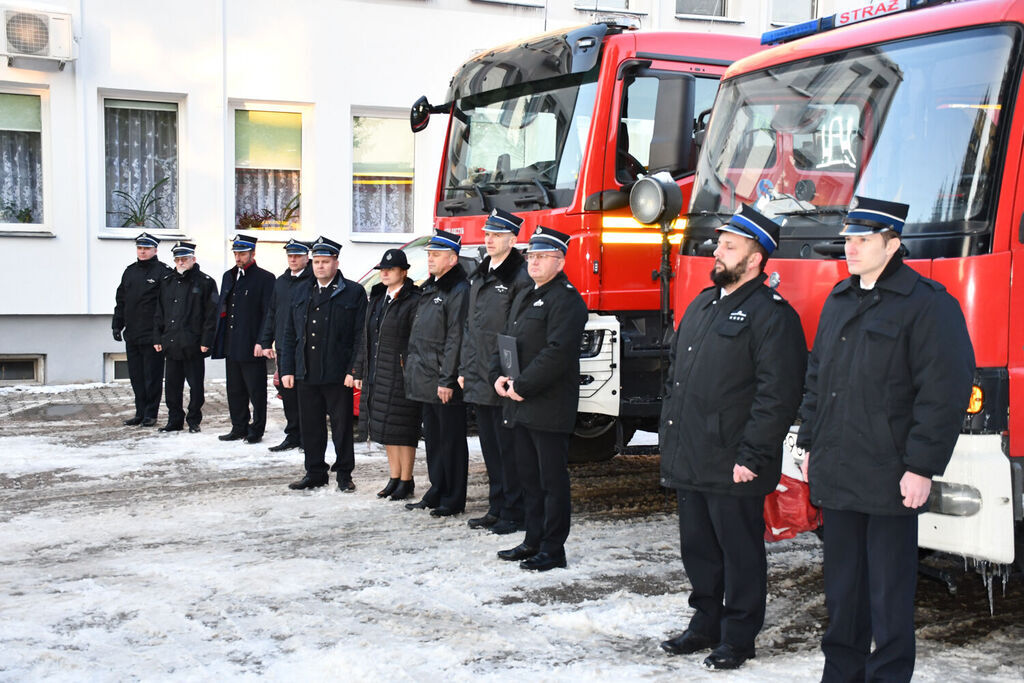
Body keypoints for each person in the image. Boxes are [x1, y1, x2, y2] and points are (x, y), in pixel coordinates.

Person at [797, 196, 974, 682]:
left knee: (889, 593)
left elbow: (944, 393)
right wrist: (809, 443)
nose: (850, 249)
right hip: (837, 469)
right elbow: (818, 379)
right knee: (842, 589)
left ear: (893, 244)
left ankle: (890, 675)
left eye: (862, 240)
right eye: (848, 240)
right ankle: (841, 673)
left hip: (890, 475)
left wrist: (921, 467)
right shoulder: (838, 300)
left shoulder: (928, 305)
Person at [658, 205, 807, 671]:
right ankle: (705, 622)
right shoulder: (704, 303)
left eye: (728, 246)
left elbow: (776, 396)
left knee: (739, 553)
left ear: (756, 258)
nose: (716, 252)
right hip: (691, 453)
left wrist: (754, 454)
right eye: (718, 244)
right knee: (698, 547)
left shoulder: (773, 316)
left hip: (735, 459)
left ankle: (739, 636)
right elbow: (676, 377)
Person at [492, 226, 588, 572]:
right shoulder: (525, 294)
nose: (533, 262)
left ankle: (552, 548)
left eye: (542, 257)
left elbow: (557, 353)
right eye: (531, 256)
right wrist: (498, 376)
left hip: (548, 405)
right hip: (519, 402)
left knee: (551, 481)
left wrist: (523, 385)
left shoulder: (567, 300)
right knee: (529, 478)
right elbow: (507, 341)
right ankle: (532, 539)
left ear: (560, 261)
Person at [459, 209, 533, 535]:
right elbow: (469, 327)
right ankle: (497, 506)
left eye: (496, 235)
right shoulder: (480, 274)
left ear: (512, 239)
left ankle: (514, 512)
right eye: (487, 234)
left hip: (503, 377)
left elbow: (518, 332)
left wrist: (510, 374)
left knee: (509, 449)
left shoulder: (519, 278)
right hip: (478, 373)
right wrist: (464, 368)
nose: (488, 239)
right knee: (489, 447)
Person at [279, 236, 367, 491]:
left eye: (325, 262)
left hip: (338, 373)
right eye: (316, 261)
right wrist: (287, 369)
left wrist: (354, 369)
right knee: (310, 427)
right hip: (306, 371)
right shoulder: (300, 290)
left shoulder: (352, 292)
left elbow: (360, 335)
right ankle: (314, 471)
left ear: (336, 263)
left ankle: (343, 474)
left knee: (341, 428)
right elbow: (289, 333)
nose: (320, 266)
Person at [403, 229, 470, 517]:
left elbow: (456, 337)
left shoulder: (459, 290)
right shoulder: (432, 286)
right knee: (433, 438)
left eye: (436, 255)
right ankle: (437, 488)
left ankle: (453, 497)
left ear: (452, 259)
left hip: (444, 379)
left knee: (451, 441)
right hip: (426, 376)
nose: (429, 259)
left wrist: (448, 379)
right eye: (429, 254)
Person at [349, 248, 422, 501]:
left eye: (391, 270)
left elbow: (417, 340)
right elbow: (365, 338)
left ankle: (407, 479)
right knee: (386, 429)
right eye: (383, 269)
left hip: (401, 373)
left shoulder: (414, 300)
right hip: (378, 371)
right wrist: (359, 368)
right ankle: (394, 477)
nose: (386, 273)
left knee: (404, 430)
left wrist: (408, 368)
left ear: (404, 272)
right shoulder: (378, 300)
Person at [212, 234, 275, 444]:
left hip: (252, 344)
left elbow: (268, 313)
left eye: (243, 253)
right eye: (236, 253)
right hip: (232, 343)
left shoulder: (265, 278)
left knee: (256, 391)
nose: (238, 257)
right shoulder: (229, 276)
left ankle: (256, 430)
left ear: (253, 253)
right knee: (235, 389)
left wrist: (263, 341)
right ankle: (238, 426)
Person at [152, 241, 219, 433]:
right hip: (171, 343)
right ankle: (174, 420)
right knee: (172, 386)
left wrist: (207, 341)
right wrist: (158, 338)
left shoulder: (205, 282)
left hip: (194, 344)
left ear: (193, 259)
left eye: (185, 259)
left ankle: (193, 420)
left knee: (196, 386)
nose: (181, 262)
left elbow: (211, 315)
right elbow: (159, 312)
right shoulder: (167, 282)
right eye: (178, 259)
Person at [256, 239, 313, 452]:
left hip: (305, 347)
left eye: (297, 255)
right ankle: (293, 434)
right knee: (287, 393)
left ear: (307, 257)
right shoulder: (281, 282)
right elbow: (272, 313)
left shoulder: (311, 281)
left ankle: (308, 437)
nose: (293, 259)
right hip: (283, 345)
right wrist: (265, 341)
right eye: (290, 255)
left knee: (304, 395)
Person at [112, 232, 172, 427]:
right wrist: (117, 324)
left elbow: (166, 306)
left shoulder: (163, 272)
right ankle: (140, 411)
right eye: (140, 248)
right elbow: (121, 300)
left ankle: (150, 413)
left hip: (152, 334)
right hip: (133, 333)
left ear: (155, 250)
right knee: (136, 376)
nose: (143, 251)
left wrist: (161, 333)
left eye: (146, 248)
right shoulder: (130, 271)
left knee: (152, 376)